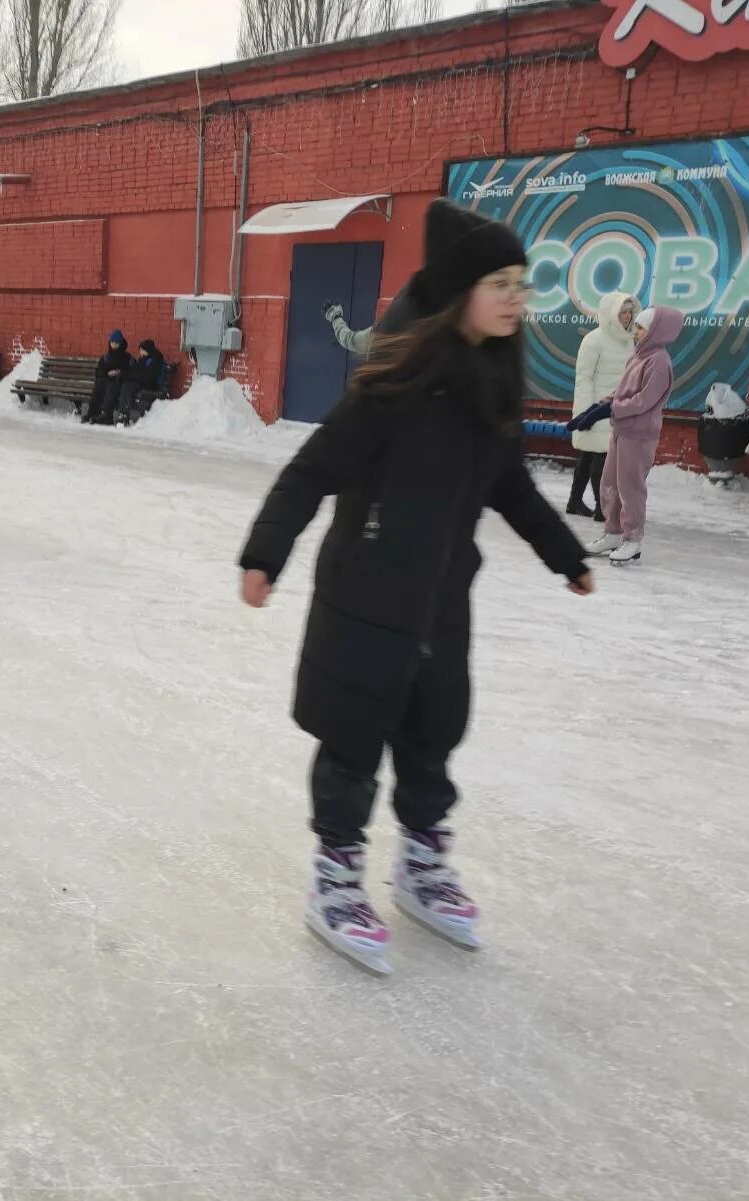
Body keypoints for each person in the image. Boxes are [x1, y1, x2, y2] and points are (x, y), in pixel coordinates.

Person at [238, 200, 592, 973]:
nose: (515, 297)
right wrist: (266, 552)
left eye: (521, 284)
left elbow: (514, 490)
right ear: (459, 290)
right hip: (364, 593)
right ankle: (335, 874)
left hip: (439, 601)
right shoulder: (392, 387)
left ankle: (421, 864)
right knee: (353, 742)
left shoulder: (488, 394)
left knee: (433, 735)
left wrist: (565, 553)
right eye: (499, 282)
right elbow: (312, 469)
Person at [586, 306, 686, 566]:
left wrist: (614, 408)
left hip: (639, 434)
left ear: (656, 330)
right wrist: (603, 404)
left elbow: (644, 400)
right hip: (622, 430)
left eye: (642, 327)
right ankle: (612, 533)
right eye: (637, 327)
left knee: (630, 488)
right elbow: (623, 391)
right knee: (609, 482)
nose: (636, 331)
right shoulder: (638, 356)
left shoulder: (659, 362)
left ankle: (632, 540)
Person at [568, 291, 640, 519]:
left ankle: (575, 501)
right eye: (623, 312)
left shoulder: (631, 342)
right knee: (601, 460)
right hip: (595, 410)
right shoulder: (594, 340)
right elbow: (584, 378)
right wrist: (583, 414)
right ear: (611, 313)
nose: (627, 317)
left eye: (630, 312)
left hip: (617, 409)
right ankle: (603, 509)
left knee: (589, 456)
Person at [84, 330, 132, 425]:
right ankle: (92, 413)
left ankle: (106, 415)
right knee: (99, 385)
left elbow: (129, 372)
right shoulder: (106, 357)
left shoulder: (126, 357)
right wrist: (107, 373)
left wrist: (119, 372)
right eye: (112, 342)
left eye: (116, 343)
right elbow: (98, 371)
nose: (113, 345)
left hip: (119, 383)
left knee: (111, 385)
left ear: (120, 343)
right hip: (107, 380)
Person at [117, 338, 166, 424]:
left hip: (150, 385)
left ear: (148, 350)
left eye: (142, 350)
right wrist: (124, 374)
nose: (140, 352)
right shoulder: (144, 359)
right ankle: (122, 413)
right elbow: (135, 370)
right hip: (141, 382)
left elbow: (148, 376)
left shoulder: (155, 360)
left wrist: (132, 377)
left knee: (127, 386)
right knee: (125, 384)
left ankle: (123, 414)